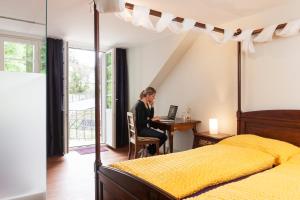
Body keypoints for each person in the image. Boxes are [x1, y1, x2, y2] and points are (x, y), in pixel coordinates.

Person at [133, 87, 167, 155]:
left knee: (163, 136)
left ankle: (147, 150)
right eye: (153, 96)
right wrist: (151, 120)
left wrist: (152, 106)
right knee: (164, 136)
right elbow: (141, 122)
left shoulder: (146, 103)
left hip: (144, 128)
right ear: (148, 95)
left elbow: (150, 116)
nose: (154, 98)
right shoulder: (140, 105)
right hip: (141, 130)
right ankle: (148, 151)